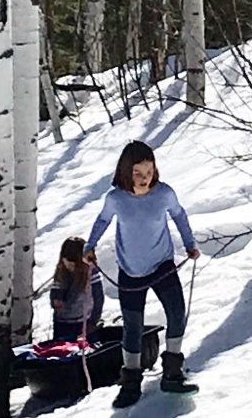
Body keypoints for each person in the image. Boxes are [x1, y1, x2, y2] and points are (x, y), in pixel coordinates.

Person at [84, 140, 201, 408]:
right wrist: (90, 246)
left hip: (162, 266)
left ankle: (172, 371)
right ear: (126, 172)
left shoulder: (164, 194)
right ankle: (131, 382)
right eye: (138, 173)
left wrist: (190, 243)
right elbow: (102, 220)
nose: (144, 178)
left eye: (148, 172)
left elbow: (179, 215)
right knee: (133, 328)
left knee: (176, 313)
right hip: (130, 271)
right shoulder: (116, 199)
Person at [50, 236, 104, 343]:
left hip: (84, 323)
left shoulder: (91, 273)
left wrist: (93, 323)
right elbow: (55, 292)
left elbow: (99, 299)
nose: (70, 265)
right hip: (62, 323)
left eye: (74, 262)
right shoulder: (61, 274)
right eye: (66, 260)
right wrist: (56, 300)